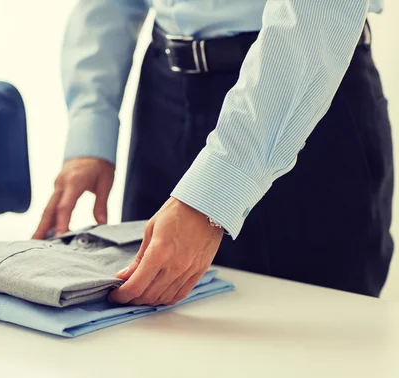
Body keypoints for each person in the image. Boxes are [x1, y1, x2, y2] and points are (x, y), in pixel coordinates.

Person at [34, 0, 393, 305]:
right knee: (152, 354)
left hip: (301, 105)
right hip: (164, 98)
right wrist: (91, 125)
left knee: (309, 359)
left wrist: (215, 195)